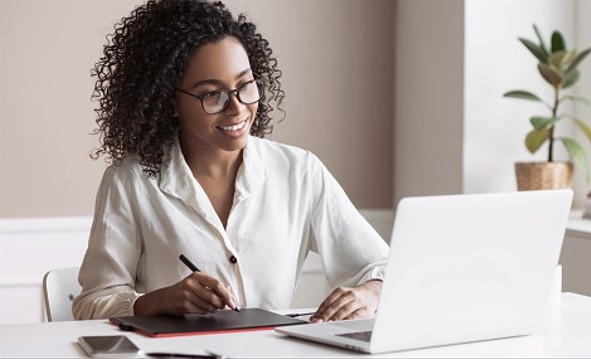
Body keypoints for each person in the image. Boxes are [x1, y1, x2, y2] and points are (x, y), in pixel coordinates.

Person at [72, 0, 388, 323]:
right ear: (170, 102)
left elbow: (382, 266)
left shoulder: (299, 173)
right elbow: (91, 303)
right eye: (213, 94)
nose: (237, 109)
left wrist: (369, 294)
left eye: (245, 86)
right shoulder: (131, 182)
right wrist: (159, 301)